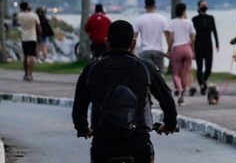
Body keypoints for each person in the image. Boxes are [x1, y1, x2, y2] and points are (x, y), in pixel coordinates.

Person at [72, 20, 178, 163]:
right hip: (138, 142)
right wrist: (169, 125)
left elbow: (79, 106)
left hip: (103, 144)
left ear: (107, 42)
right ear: (133, 43)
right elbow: (167, 100)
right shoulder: (146, 67)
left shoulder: (91, 69)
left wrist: (83, 128)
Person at [133, 0, 171, 72]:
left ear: (145, 6)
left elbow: (134, 37)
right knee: (160, 74)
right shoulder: (162, 19)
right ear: (155, 6)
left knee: (147, 73)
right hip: (158, 51)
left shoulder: (139, 19)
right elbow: (168, 36)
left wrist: (132, 52)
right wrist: (169, 51)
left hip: (145, 51)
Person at [169, 2, 195, 105]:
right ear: (184, 11)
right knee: (185, 74)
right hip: (187, 48)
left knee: (176, 73)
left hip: (177, 48)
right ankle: (182, 97)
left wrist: (169, 49)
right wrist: (192, 48)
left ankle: (178, 89)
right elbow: (193, 37)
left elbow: (171, 38)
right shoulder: (189, 22)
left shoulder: (172, 22)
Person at [191, 0, 219, 96]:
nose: (205, 6)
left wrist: (217, 44)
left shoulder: (211, 18)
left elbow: (214, 31)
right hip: (198, 45)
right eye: (203, 5)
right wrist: (192, 48)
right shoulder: (194, 19)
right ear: (199, 6)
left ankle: (203, 83)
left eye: (206, 5)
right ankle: (203, 86)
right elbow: (192, 34)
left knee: (208, 68)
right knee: (199, 67)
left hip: (208, 45)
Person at [17, 1, 41, 81]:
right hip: (32, 38)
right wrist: (39, 34)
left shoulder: (20, 15)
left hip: (24, 38)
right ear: (27, 6)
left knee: (25, 56)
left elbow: (17, 23)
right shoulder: (34, 15)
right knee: (32, 56)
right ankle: (30, 74)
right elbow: (38, 27)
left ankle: (25, 73)